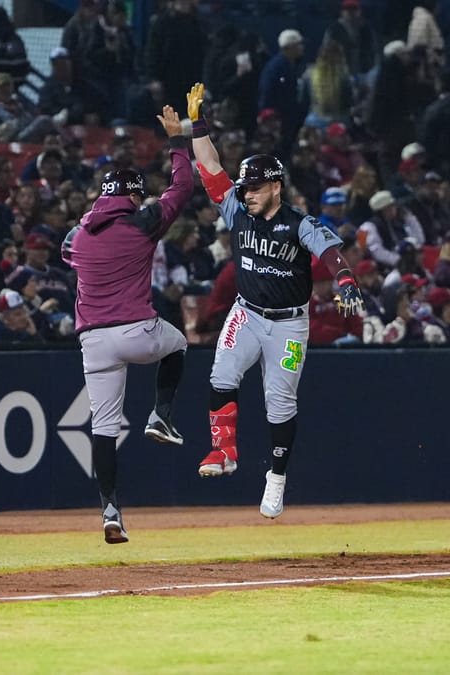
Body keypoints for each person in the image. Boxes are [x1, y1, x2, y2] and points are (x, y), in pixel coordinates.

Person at [188, 82, 363, 519]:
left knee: (279, 403)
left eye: (254, 186)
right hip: (246, 312)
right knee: (221, 375)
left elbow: (329, 251)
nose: (245, 192)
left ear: (276, 187)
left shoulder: (297, 223)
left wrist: (344, 280)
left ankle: (277, 478)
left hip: (288, 323)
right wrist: (197, 123)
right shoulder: (236, 210)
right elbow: (209, 166)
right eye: (244, 186)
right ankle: (223, 452)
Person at [63, 106, 192, 543]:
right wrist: (177, 141)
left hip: (93, 341)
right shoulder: (142, 221)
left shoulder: (79, 234)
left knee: (103, 427)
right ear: (134, 196)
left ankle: (111, 511)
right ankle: (161, 415)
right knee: (177, 345)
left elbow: (67, 251)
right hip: (137, 331)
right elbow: (183, 187)